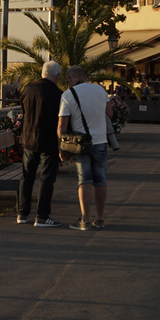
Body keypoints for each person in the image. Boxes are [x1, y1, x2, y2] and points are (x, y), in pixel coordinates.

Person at [58, 65, 113, 231]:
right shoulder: (100, 90)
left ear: (71, 78)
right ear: (83, 76)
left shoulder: (68, 94)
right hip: (101, 141)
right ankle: (100, 218)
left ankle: (85, 219)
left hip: (80, 144)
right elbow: (110, 113)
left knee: (84, 180)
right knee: (100, 180)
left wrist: (60, 147)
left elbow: (62, 125)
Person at [17, 61, 64, 228]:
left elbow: (24, 112)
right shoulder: (58, 94)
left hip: (29, 139)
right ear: (57, 76)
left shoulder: (28, 90)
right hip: (48, 141)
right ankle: (42, 216)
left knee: (26, 177)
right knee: (46, 179)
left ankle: (22, 213)